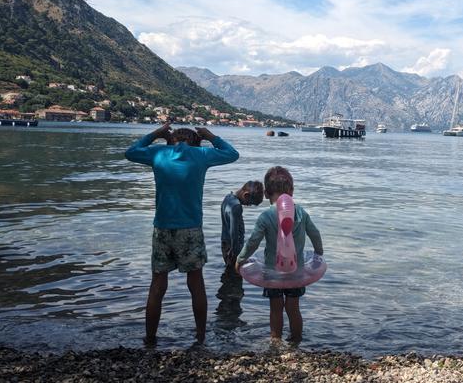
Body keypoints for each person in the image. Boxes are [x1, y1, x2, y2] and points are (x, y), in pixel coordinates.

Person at [124, 122, 239, 345]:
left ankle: (150, 339)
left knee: (157, 286)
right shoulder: (201, 155)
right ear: (196, 143)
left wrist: (155, 134)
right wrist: (211, 136)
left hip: (162, 229)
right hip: (190, 230)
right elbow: (232, 154)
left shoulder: (158, 153)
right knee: (196, 285)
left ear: (169, 141)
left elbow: (130, 153)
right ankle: (201, 337)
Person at [235, 166, 323, 343]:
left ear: (266, 194)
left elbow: (253, 241)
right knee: (293, 308)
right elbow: (314, 234)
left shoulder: (266, 216)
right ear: (292, 191)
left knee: (275, 308)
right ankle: (296, 340)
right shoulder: (301, 213)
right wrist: (318, 254)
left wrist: (240, 260)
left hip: (272, 271)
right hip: (295, 271)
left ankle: (276, 341)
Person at [214, 180, 264, 333]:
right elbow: (234, 233)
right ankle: (232, 315)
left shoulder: (228, 198)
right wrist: (238, 256)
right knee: (236, 280)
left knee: (229, 277)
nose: (247, 206)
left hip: (225, 244)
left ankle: (225, 312)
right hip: (233, 248)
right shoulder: (236, 207)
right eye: (250, 203)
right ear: (246, 194)